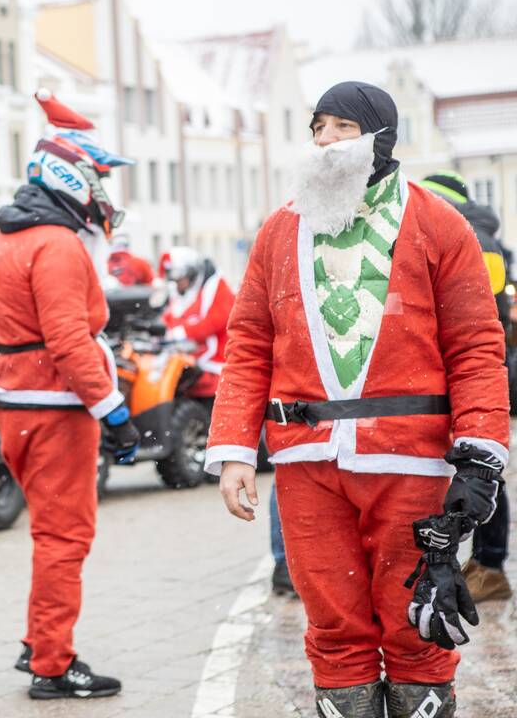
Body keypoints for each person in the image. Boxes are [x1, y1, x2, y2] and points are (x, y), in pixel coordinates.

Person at [208, 81, 508, 718]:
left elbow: (476, 346)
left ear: (381, 138)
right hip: (306, 463)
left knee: (416, 623)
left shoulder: (438, 224)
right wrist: (234, 449)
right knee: (334, 627)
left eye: (343, 127)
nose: (325, 141)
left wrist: (481, 458)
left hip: (410, 460)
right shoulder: (279, 230)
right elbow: (248, 342)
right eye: (317, 127)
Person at [0, 89, 141, 700]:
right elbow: (69, 340)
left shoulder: (4, 237)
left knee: (48, 531)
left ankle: (39, 640)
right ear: (70, 173)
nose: (104, 191)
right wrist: (115, 412)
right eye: (98, 176)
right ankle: (51, 662)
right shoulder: (57, 243)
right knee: (64, 537)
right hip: (54, 406)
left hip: (15, 403)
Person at [421, 170, 512, 603]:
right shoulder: (469, 230)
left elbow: (483, 312)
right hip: (456, 369)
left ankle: (491, 566)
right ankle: (484, 562)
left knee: (484, 470)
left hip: (471, 371)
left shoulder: (473, 237)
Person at [157, 246, 234, 400]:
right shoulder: (183, 291)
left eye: (180, 280)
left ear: (191, 273)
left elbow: (217, 320)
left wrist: (184, 332)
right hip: (191, 361)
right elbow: (171, 317)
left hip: (217, 367)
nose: (177, 285)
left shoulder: (217, 287)